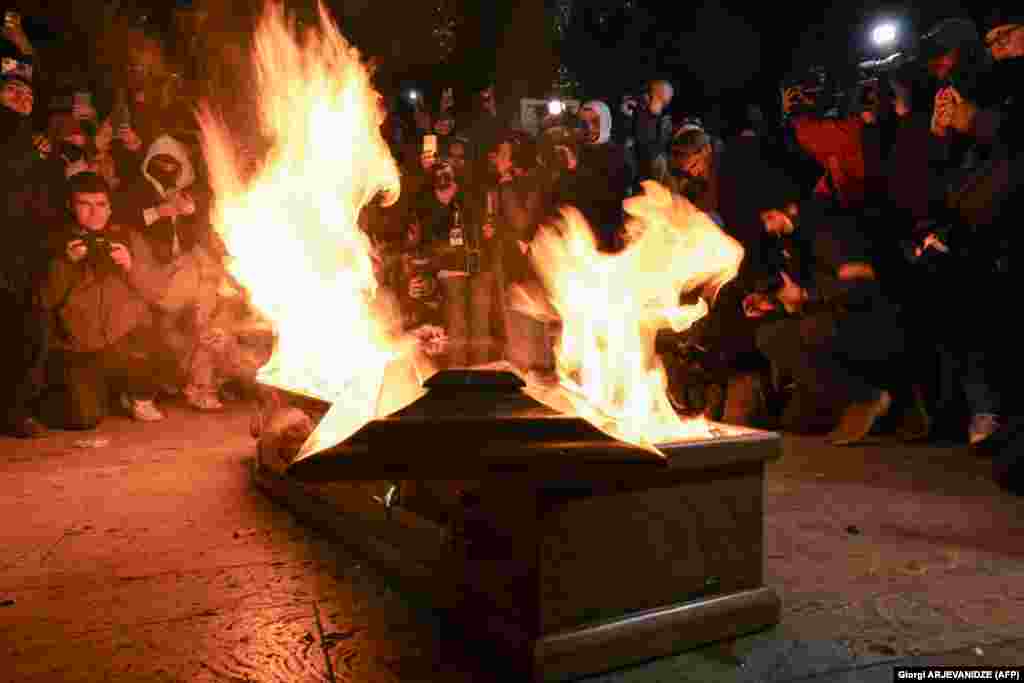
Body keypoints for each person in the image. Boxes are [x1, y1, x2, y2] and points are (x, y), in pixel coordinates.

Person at [747, 183, 907, 445]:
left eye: (770, 217)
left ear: (789, 208)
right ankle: (848, 400)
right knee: (770, 335)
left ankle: (868, 397)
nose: (768, 227)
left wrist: (807, 297)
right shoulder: (788, 240)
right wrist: (772, 302)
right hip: (828, 315)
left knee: (811, 329)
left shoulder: (827, 231)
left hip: (870, 320)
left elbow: (860, 285)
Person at [40, 172, 178, 427]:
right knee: (85, 418)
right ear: (71, 207)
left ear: (110, 207)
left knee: (149, 334)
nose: (95, 213)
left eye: (101, 205)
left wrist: (130, 266)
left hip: (123, 337)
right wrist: (66, 264)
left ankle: (139, 396)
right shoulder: (57, 243)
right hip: (80, 343)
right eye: (85, 205)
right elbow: (45, 300)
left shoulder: (128, 238)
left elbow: (158, 293)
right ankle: (97, 394)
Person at [0, 44, 50, 437]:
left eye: (28, 93)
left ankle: (14, 411)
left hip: (26, 260)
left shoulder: (33, 145)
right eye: (11, 90)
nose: (22, 98)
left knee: (26, 335)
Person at [630, 80, 674, 186]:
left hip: (649, 172)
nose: (663, 106)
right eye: (661, 100)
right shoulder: (631, 112)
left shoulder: (662, 120)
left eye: (665, 103)